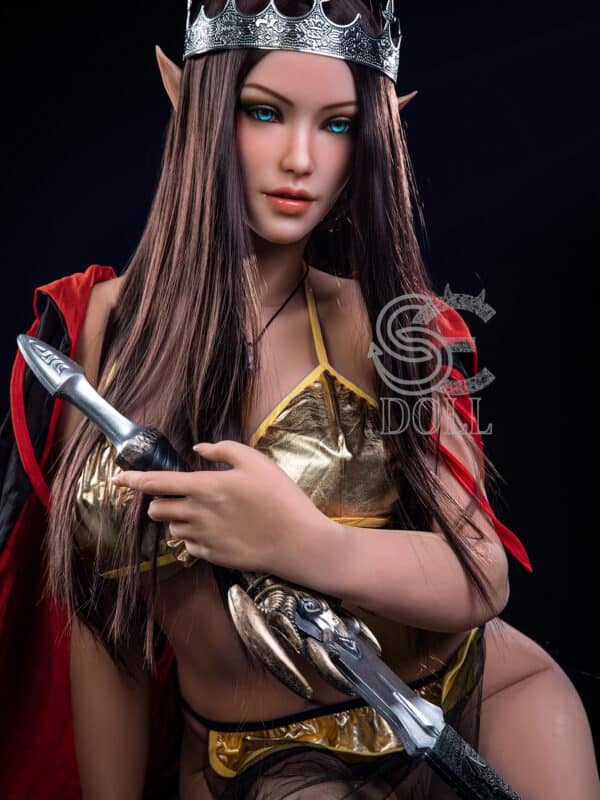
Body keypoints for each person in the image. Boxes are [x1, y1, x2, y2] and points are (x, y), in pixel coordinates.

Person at [1, 0, 598, 798]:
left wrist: (299, 542)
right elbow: (106, 626)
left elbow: (482, 574)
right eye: (264, 112)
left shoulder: (386, 325)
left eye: (338, 125)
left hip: (474, 699)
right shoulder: (97, 329)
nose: (300, 159)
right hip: (256, 759)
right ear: (196, 106)